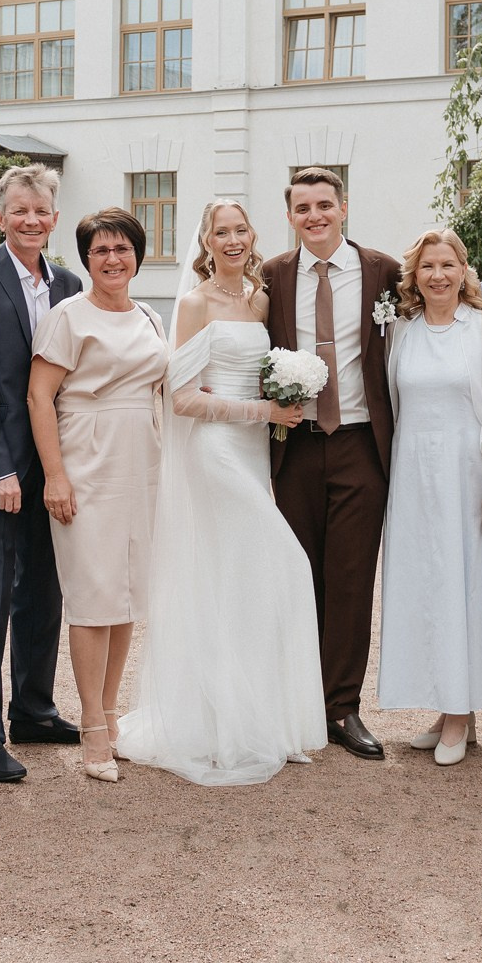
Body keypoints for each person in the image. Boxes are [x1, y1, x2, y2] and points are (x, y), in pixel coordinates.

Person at [117, 200, 326, 785]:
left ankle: (257, 721)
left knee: (242, 581)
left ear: (252, 235)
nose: (232, 239)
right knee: (286, 564)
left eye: (240, 229)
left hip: (254, 452)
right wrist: (264, 408)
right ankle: (221, 723)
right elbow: (180, 397)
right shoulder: (194, 303)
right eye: (220, 232)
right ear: (205, 242)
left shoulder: (260, 299)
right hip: (214, 453)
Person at [377, 229, 482, 766]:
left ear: (465, 271)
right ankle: (446, 708)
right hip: (416, 479)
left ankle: (463, 715)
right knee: (430, 589)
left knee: (469, 589)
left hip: (470, 477)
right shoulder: (402, 331)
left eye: (448, 265)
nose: (438, 275)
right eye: (428, 267)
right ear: (414, 277)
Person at [0, 164, 85, 783]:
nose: (32, 220)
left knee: (46, 587)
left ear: (55, 218)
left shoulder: (70, 284)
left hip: (55, 460)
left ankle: (34, 706)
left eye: (42, 211)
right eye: (20, 211)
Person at [264, 166, 402, 761]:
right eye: (303, 208)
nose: (315, 216)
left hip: (359, 443)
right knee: (295, 576)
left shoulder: (384, 273)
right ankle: (294, 702)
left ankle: (341, 707)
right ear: (290, 216)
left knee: (349, 578)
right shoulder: (269, 277)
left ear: (343, 207)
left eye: (325, 204)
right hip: (292, 447)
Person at [28, 207, 168, 782]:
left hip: (144, 460)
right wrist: (55, 476)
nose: (113, 259)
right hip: (86, 457)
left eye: (123, 249)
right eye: (101, 251)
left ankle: (111, 713)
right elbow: (40, 398)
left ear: (138, 254)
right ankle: (89, 724)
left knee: (129, 593)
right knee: (92, 594)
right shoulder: (68, 315)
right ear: (86, 260)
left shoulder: (152, 317)